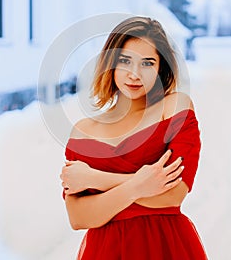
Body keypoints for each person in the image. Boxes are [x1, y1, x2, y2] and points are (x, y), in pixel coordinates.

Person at [60, 17, 208, 259]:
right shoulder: (83, 131)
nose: (134, 74)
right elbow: (79, 217)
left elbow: (172, 195)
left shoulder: (174, 108)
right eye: (125, 61)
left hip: (166, 246)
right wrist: (141, 186)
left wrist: (96, 179)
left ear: (161, 68)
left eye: (147, 63)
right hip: (105, 251)